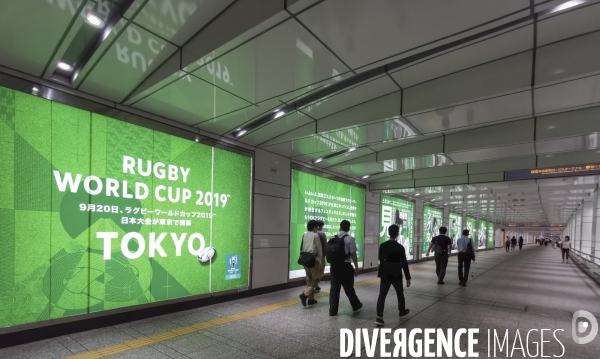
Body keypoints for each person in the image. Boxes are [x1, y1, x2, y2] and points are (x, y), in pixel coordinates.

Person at [376, 224, 411, 326]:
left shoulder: (383, 245)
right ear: (397, 234)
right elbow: (404, 263)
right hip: (396, 273)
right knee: (400, 293)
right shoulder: (400, 247)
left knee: (382, 295)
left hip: (385, 273)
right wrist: (408, 277)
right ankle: (402, 311)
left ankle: (379, 317)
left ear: (388, 233)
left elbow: (380, 258)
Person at [328, 220, 362, 316]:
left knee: (334, 288)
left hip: (334, 266)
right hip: (345, 267)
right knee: (348, 287)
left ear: (340, 227)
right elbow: (353, 254)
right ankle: (355, 305)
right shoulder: (349, 239)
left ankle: (333, 310)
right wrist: (356, 267)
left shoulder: (332, 237)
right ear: (348, 228)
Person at [299, 220, 322, 307]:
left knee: (309, 279)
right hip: (313, 259)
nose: (318, 228)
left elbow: (301, 247)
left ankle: (311, 299)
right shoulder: (315, 236)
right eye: (317, 227)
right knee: (315, 279)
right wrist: (319, 259)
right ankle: (305, 295)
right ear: (314, 227)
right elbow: (319, 249)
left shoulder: (304, 235)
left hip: (305, 259)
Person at [314, 220, 328, 292]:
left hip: (312, 256)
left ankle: (315, 285)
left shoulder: (310, 233)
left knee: (314, 271)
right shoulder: (322, 234)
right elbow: (325, 245)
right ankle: (313, 285)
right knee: (320, 271)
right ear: (320, 226)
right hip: (321, 255)